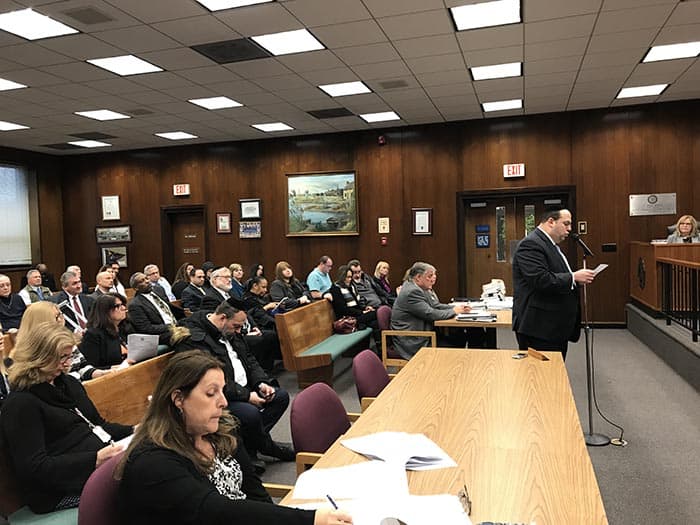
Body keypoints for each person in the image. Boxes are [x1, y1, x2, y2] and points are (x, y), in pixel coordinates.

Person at [115, 350, 352, 525]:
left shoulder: (218, 432)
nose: (224, 402)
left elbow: (253, 491)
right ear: (178, 399)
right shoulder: (153, 460)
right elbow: (214, 510)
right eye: (211, 393)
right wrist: (310, 520)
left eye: (222, 391)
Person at [0, 322, 132, 513]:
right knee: (141, 487)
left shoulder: (68, 383)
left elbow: (98, 426)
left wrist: (135, 430)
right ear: (38, 358)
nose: (67, 364)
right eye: (61, 358)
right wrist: (93, 460)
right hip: (57, 492)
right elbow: (34, 467)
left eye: (69, 356)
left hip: (98, 470)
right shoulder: (21, 403)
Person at [176, 303, 294, 471]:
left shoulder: (231, 332)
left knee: (280, 397)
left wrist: (261, 382)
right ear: (223, 318)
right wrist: (247, 396)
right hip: (221, 396)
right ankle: (267, 447)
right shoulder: (195, 339)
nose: (239, 331)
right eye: (236, 326)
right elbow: (210, 381)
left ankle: (248, 448)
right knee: (250, 414)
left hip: (245, 387)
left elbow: (250, 360)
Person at [512, 208, 596, 360]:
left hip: (552, 325)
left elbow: (556, 275)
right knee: (538, 376)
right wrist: (573, 277)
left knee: (552, 373)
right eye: (566, 224)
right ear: (551, 222)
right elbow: (540, 279)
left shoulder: (550, 245)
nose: (570, 229)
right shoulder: (531, 244)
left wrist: (575, 281)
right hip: (538, 327)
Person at [391, 262, 484, 359]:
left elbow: (435, 305)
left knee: (467, 334)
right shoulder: (412, 291)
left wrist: (457, 308)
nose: (433, 278)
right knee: (462, 339)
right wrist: (454, 311)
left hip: (424, 334)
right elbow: (430, 314)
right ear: (418, 277)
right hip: (413, 340)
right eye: (430, 276)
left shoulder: (419, 288)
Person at [14, 300, 110, 382]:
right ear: (42, 322)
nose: (61, 320)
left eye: (61, 315)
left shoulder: (67, 342)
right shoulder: (30, 351)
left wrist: (99, 373)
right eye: (56, 317)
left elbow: (81, 366)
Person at [79, 293, 130, 368]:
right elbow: (90, 368)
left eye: (123, 304)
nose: (123, 308)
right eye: (118, 306)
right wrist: (113, 368)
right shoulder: (93, 335)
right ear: (105, 310)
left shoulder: (123, 328)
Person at [128, 272, 179, 345]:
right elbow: (146, 328)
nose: (147, 281)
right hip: (161, 334)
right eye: (142, 281)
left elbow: (171, 309)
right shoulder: (135, 305)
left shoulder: (158, 290)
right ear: (136, 288)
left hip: (175, 324)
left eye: (146, 278)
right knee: (186, 336)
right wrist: (170, 326)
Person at [328, 266, 380, 332]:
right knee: (377, 313)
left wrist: (365, 308)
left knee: (375, 322)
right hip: (347, 317)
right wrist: (362, 312)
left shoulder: (350, 287)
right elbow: (343, 310)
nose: (349, 279)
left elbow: (357, 305)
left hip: (356, 314)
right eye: (347, 277)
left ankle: (379, 341)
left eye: (350, 277)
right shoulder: (336, 288)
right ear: (342, 277)